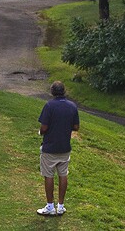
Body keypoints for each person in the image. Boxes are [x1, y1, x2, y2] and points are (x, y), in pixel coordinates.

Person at [37, 81, 80, 216]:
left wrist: (40, 132)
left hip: (50, 146)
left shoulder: (49, 106)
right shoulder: (72, 106)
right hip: (65, 146)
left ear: (52, 92)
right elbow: (76, 127)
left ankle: (50, 206)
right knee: (63, 174)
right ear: (64, 91)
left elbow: (44, 128)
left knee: (48, 175)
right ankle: (60, 206)